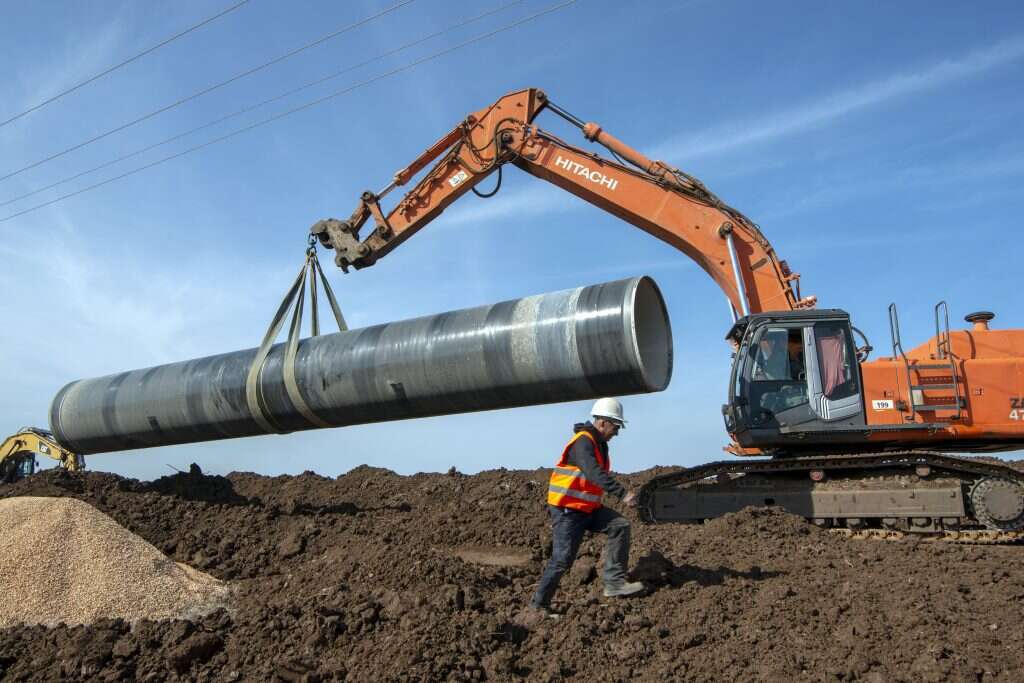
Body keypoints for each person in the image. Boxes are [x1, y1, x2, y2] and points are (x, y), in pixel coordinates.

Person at [526, 397, 645, 620]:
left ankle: (614, 583)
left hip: (588, 509)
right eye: (616, 426)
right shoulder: (583, 442)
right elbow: (594, 473)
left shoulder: (599, 444)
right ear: (602, 423)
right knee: (562, 559)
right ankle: (538, 605)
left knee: (619, 525)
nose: (617, 432)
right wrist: (623, 494)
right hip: (568, 510)